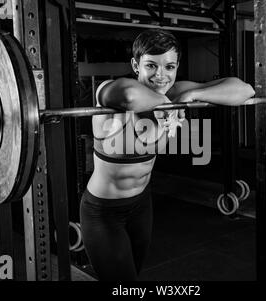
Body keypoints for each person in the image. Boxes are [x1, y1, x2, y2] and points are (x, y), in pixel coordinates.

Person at [79, 28, 255, 281]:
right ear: (135, 65)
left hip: (141, 206)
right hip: (103, 212)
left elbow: (244, 90)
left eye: (169, 67)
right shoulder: (112, 91)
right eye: (151, 65)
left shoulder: (173, 91)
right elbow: (130, 96)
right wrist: (173, 104)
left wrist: (192, 94)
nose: (161, 75)